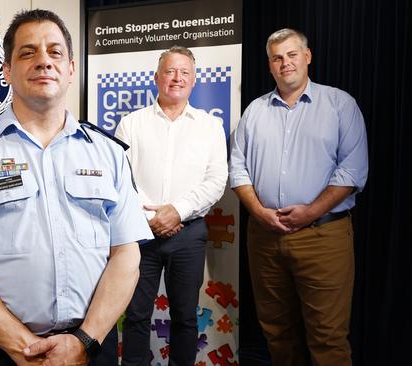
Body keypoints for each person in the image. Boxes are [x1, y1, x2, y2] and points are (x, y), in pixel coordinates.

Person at [0, 9, 152, 366]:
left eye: (55, 52)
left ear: (72, 69)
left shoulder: (108, 153)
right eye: (28, 52)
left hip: (88, 348)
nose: (43, 61)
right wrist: (21, 346)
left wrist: (84, 341)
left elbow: (127, 255)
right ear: (7, 70)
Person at [229, 28, 368, 365]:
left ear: (307, 57)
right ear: (270, 66)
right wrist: (259, 213)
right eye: (277, 58)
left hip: (322, 236)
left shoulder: (340, 104)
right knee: (277, 334)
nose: (285, 63)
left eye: (292, 55)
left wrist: (309, 212)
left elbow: (351, 172)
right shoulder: (255, 112)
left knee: (328, 337)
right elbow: (238, 170)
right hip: (264, 236)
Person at [116, 46, 228, 365]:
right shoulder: (131, 124)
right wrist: (151, 218)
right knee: (136, 316)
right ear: (156, 78)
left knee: (185, 318)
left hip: (188, 234)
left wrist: (176, 211)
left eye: (184, 73)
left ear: (194, 81)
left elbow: (216, 180)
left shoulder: (209, 127)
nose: (176, 78)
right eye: (169, 71)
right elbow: (121, 180)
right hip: (140, 234)